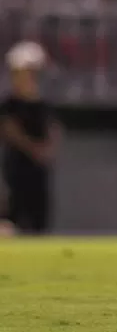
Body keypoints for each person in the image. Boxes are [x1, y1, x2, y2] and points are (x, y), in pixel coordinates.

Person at [0, 41, 61, 234]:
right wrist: (35, 149)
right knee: (14, 217)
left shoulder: (42, 105)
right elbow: (10, 131)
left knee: (38, 218)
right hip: (16, 168)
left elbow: (53, 129)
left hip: (39, 171)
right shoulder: (10, 104)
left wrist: (47, 149)